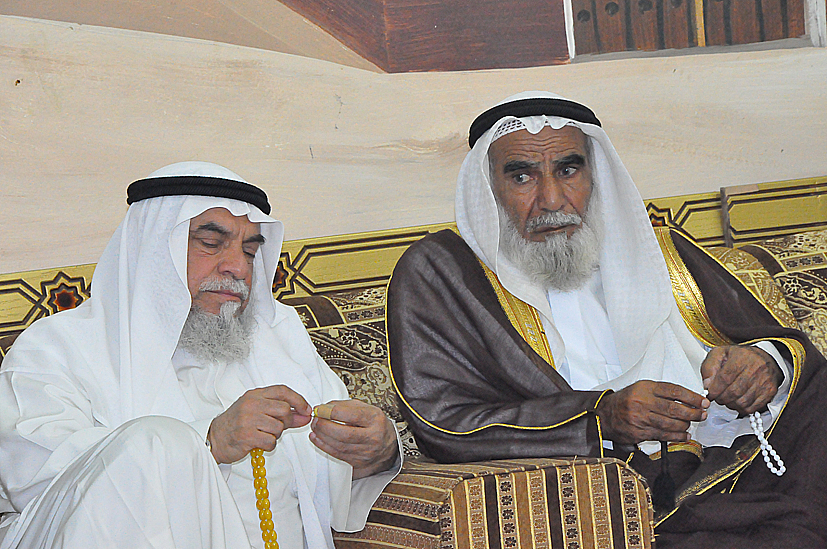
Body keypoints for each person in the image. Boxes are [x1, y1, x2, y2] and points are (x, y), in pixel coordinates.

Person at [387, 92, 827, 546]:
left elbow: (776, 346)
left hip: (733, 465)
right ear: (489, 187)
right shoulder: (441, 273)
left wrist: (765, 364)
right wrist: (602, 416)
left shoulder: (660, 250)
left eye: (569, 170)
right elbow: (443, 423)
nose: (552, 199)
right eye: (522, 176)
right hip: (601, 497)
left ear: (594, 175)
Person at [0, 162, 401, 549]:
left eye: (248, 250)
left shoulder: (278, 340)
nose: (237, 268)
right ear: (155, 251)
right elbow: (40, 487)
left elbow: (328, 483)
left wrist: (375, 452)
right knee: (154, 441)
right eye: (211, 244)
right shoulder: (58, 347)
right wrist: (208, 440)